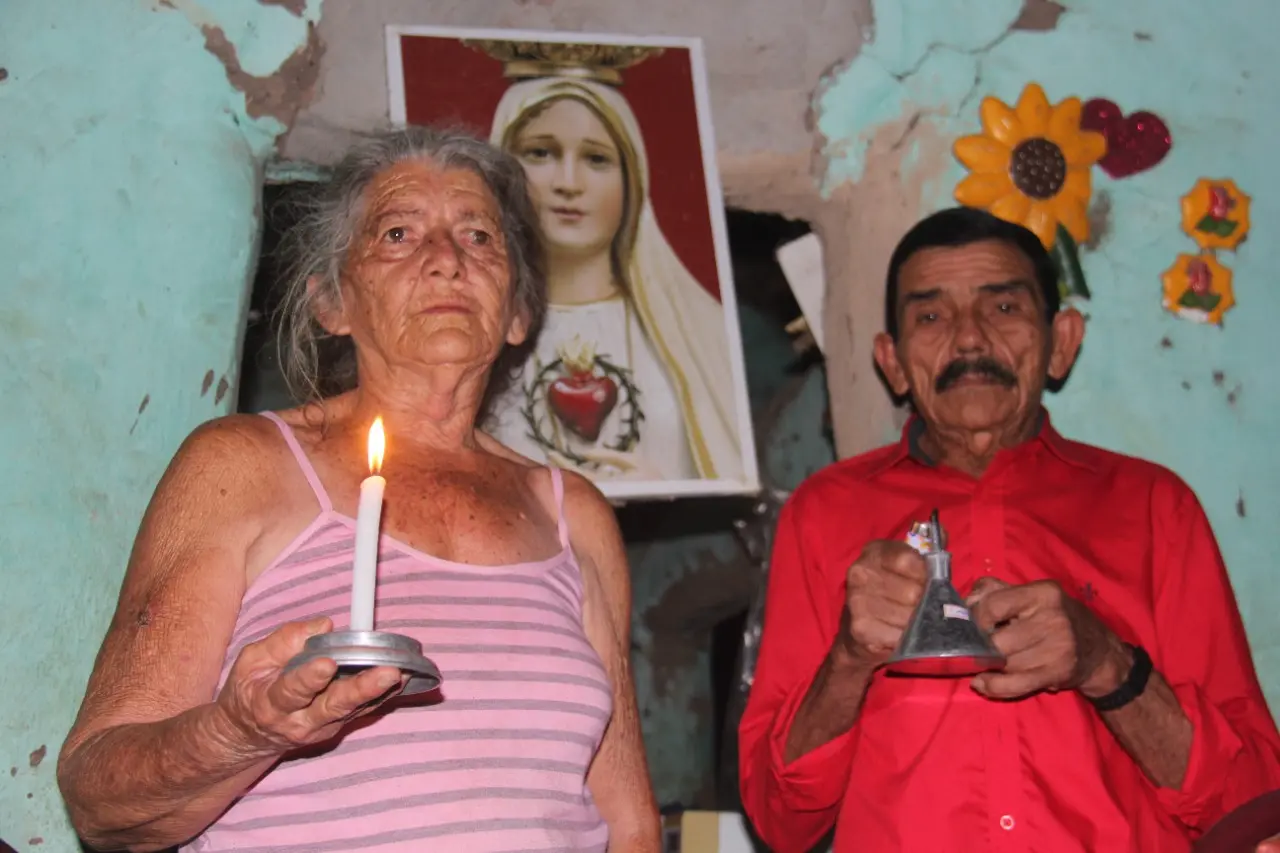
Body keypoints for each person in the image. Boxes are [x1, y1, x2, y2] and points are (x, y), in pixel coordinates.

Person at [56, 127, 660, 853]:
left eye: (478, 236)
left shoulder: (574, 516)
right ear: (331, 302)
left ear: (519, 313)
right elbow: (101, 802)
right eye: (399, 234)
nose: (446, 261)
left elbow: (628, 822)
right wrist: (241, 731)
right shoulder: (242, 466)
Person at [738, 206, 1280, 852]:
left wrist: (1107, 663)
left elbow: (1250, 805)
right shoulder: (823, 513)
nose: (968, 340)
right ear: (894, 362)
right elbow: (780, 819)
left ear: (1063, 342)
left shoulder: (1154, 506)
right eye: (931, 316)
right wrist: (850, 660)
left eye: (1003, 309)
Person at [483, 66, 745, 485]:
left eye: (597, 159)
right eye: (540, 153)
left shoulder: (702, 328)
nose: (568, 183)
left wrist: (663, 486)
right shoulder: (467, 329)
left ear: (633, 180)